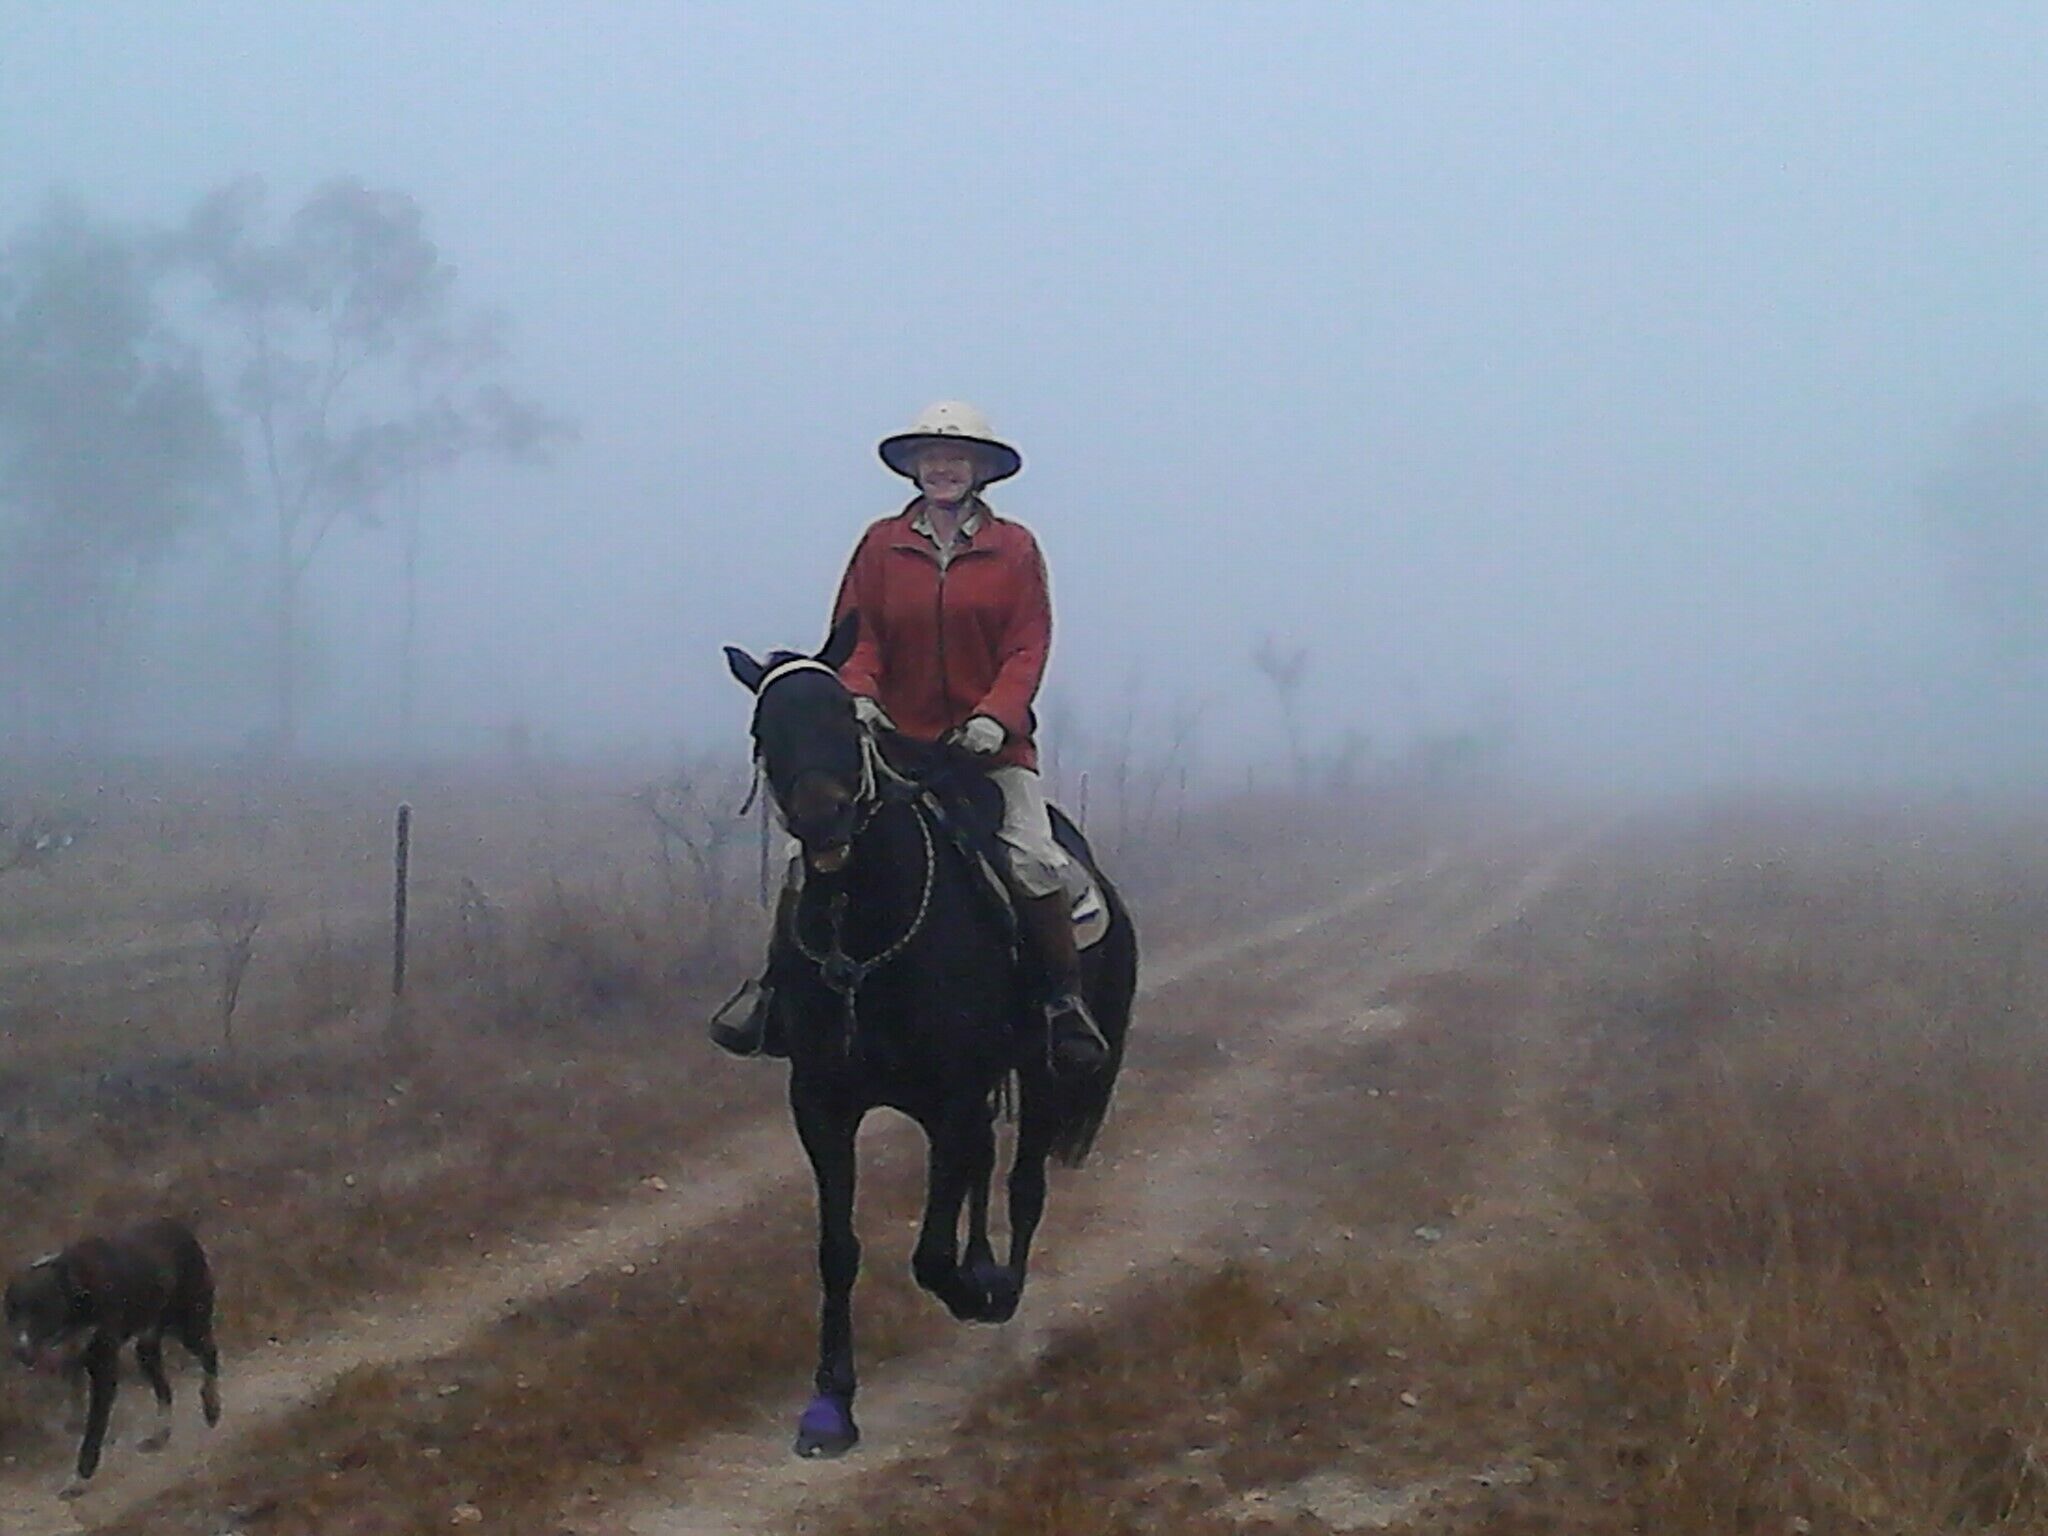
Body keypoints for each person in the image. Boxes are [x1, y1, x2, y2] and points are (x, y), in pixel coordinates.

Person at [712, 401, 1110, 1075]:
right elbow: (854, 634)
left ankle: (1060, 1003)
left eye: (957, 457)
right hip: (892, 742)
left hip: (990, 748)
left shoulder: (1015, 548)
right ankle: (776, 994)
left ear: (981, 470)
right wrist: (861, 695)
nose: (943, 467)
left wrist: (996, 717)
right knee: (805, 851)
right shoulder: (879, 543)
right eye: (930, 456)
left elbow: (1028, 645)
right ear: (913, 468)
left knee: (1036, 859)